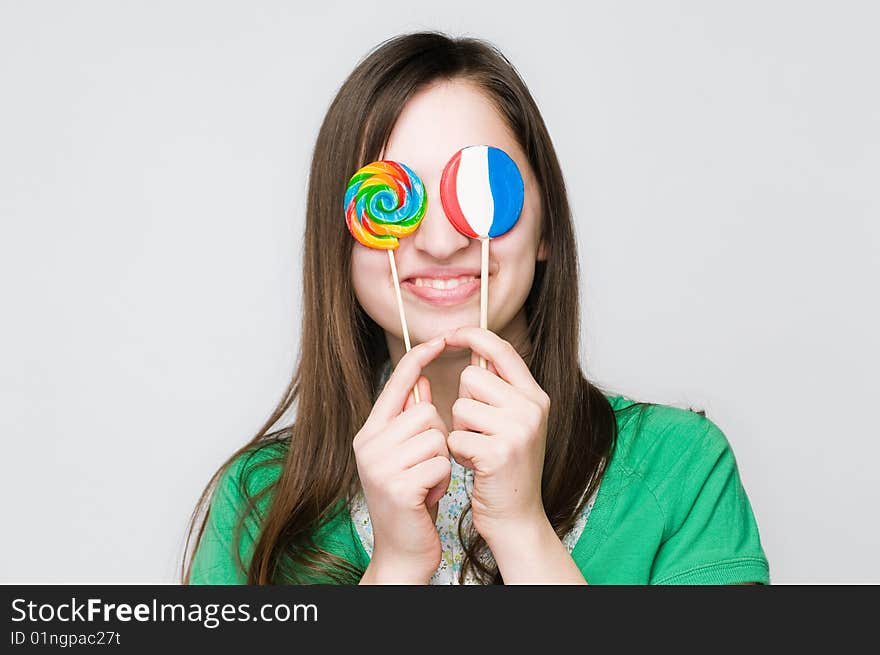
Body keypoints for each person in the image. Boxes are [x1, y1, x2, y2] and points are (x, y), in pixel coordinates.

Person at [182, 31, 769, 585]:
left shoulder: (681, 467)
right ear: (341, 240)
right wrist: (395, 566)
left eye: (479, 189)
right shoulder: (257, 502)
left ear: (545, 228)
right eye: (396, 193)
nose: (441, 243)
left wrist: (522, 531)